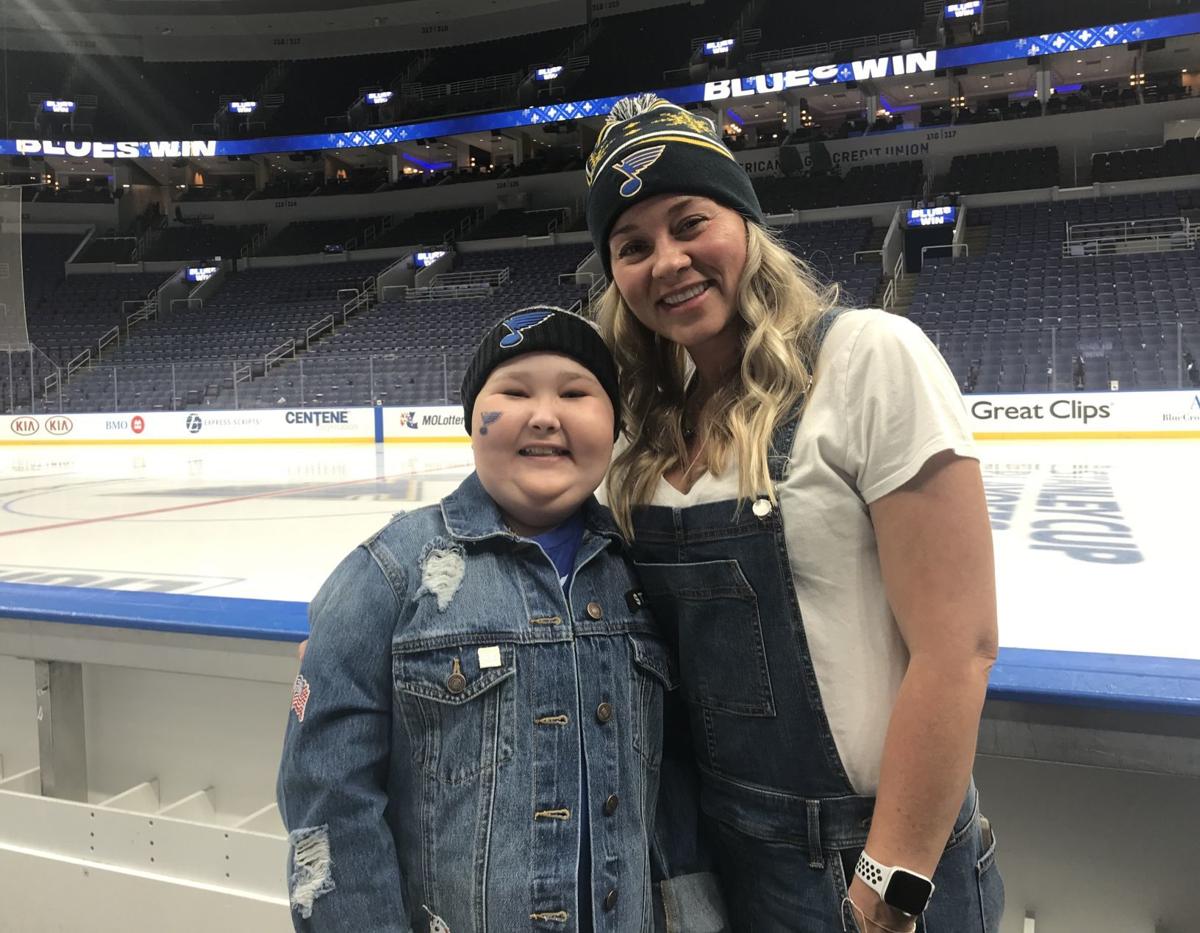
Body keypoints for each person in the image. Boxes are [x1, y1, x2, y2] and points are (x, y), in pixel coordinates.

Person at [585, 94, 1003, 933]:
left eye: (689, 221)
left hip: (868, 861)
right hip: (714, 858)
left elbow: (960, 647)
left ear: (744, 222)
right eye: (632, 246)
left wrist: (886, 888)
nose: (665, 261)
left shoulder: (869, 356)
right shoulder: (638, 427)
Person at [277, 307, 721, 932]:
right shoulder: (390, 574)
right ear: (472, 422)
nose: (544, 414)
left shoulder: (642, 573)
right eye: (513, 392)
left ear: (615, 423)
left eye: (575, 393)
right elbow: (327, 799)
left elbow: (674, 791)